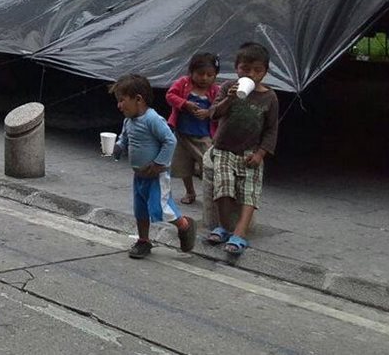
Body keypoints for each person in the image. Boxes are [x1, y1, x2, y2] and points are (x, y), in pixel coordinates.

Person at [206, 42, 280, 262]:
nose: (251, 74)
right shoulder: (227, 86)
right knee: (224, 189)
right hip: (224, 149)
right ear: (237, 68)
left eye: (257, 70)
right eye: (245, 69)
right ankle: (224, 227)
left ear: (265, 72)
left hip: (250, 152)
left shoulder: (270, 98)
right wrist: (230, 97)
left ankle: (239, 233)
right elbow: (214, 114)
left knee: (248, 193)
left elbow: (271, 129)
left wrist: (260, 154)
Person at [111, 73, 197, 259]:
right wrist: (119, 146)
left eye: (122, 100)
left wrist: (159, 163)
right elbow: (125, 136)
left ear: (138, 99)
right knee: (140, 208)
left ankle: (184, 225)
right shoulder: (129, 120)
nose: (119, 105)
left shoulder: (152, 119)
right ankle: (144, 241)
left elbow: (170, 140)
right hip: (139, 176)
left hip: (156, 176)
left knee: (160, 207)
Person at [164, 52, 221, 205]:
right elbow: (170, 96)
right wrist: (184, 104)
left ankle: (212, 194)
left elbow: (220, 108)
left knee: (209, 164)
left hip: (203, 136)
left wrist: (209, 113)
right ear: (191, 72)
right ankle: (190, 192)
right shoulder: (183, 83)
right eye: (200, 74)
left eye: (210, 75)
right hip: (182, 134)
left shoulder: (216, 91)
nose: (204, 78)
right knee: (183, 166)